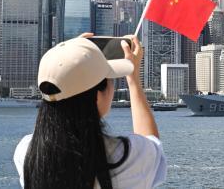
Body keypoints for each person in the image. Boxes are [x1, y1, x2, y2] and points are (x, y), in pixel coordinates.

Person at [13, 33, 167, 188]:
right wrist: (133, 79)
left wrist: (70, 56)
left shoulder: (27, 154)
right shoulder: (125, 157)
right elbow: (153, 148)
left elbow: (52, 112)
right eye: (110, 79)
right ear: (97, 96)